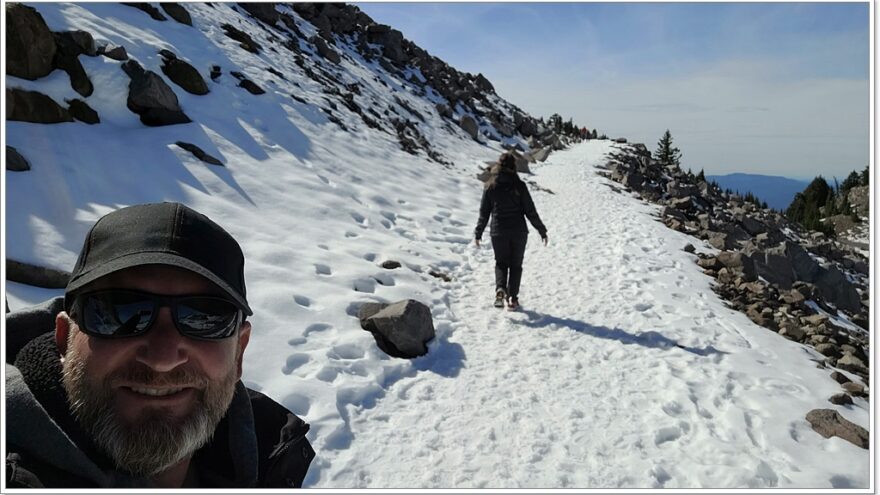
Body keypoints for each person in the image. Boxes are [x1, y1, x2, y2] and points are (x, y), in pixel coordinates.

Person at [6, 202, 315, 488]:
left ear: (238, 354)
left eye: (203, 318)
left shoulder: (270, 457)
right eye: (119, 313)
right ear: (65, 339)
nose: (162, 359)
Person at [474, 152, 548, 310]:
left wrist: (478, 232)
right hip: (519, 232)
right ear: (514, 166)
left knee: (501, 263)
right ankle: (513, 298)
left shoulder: (490, 185)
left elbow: (484, 212)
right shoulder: (519, 186)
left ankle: (500, 289)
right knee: (516, 265)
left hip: (498, 231)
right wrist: (541, 230)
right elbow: (530, 211)